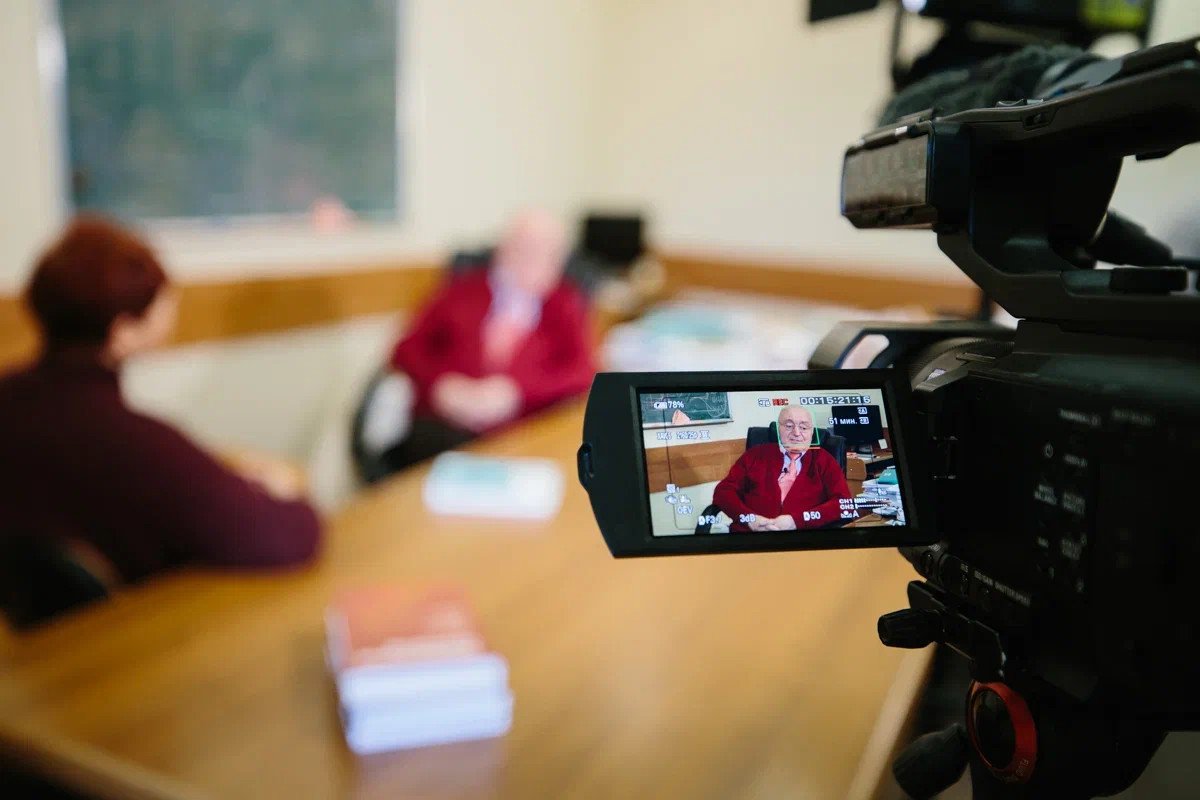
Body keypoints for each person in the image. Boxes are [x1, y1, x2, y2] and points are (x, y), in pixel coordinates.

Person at [0, 216, 322, 585]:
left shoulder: (11, 400)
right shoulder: (131, 442)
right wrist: (288, 491)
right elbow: (283, 538)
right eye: (159, 300)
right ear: (123, 331)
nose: (172, 305)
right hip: (131, 619)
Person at [361, 210, 596, 477]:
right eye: (523, 247)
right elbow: (405, 350)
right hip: (444, 430)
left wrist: (516, 393)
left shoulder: (565, 304)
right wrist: (441, 386)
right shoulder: (461, 291)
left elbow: (582, 373)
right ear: (502, 249)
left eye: (546, 252)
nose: (532, 259)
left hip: (524, 436)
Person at [713, 406, 852, 532]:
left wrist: (796, 521)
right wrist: (749, 518)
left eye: (804, 427)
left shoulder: (824, 460)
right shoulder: (755, 455)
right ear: (779, 429)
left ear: (811, 432)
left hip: (803, 541)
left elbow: (843, 503)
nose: (796, 433)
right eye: (789, 426)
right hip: (750, 538)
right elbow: (723, 491)